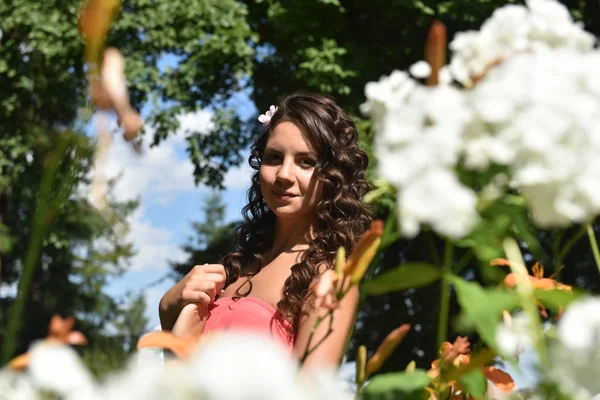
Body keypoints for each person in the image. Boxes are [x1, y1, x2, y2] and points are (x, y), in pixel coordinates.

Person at [158, 92, 372, 370]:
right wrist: (168, 310)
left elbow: (311, 392)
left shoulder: (326, 280)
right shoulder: (235, 268)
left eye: (306, 161)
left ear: (334, 176)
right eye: (274, 157)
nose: (284, 174)